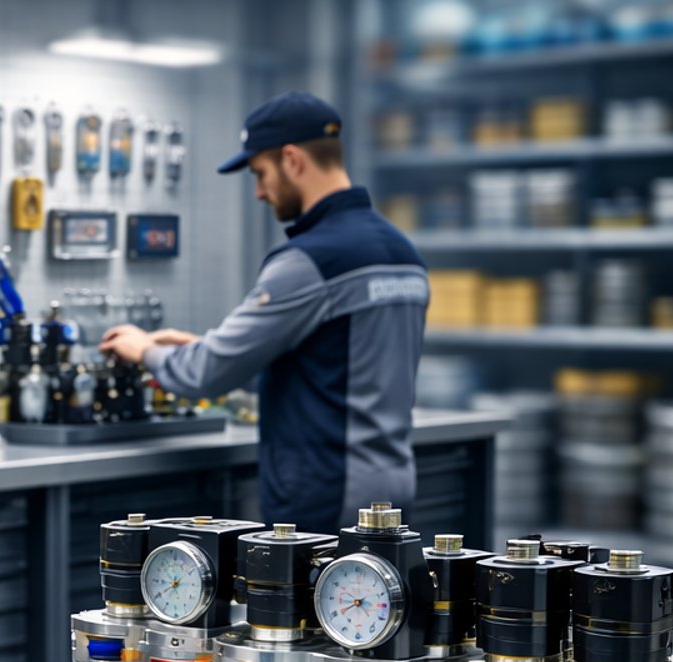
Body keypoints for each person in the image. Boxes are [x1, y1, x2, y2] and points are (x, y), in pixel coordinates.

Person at [101, 92, 430, 535]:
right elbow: (334, 366)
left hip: (326, 493)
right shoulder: (401, 251)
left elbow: (205, 375)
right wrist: (201, 345)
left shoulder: (311, 260)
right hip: (392, 490)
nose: (258, 192)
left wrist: (144, 350)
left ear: (292, 160)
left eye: (260, 173)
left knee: (303, 606)